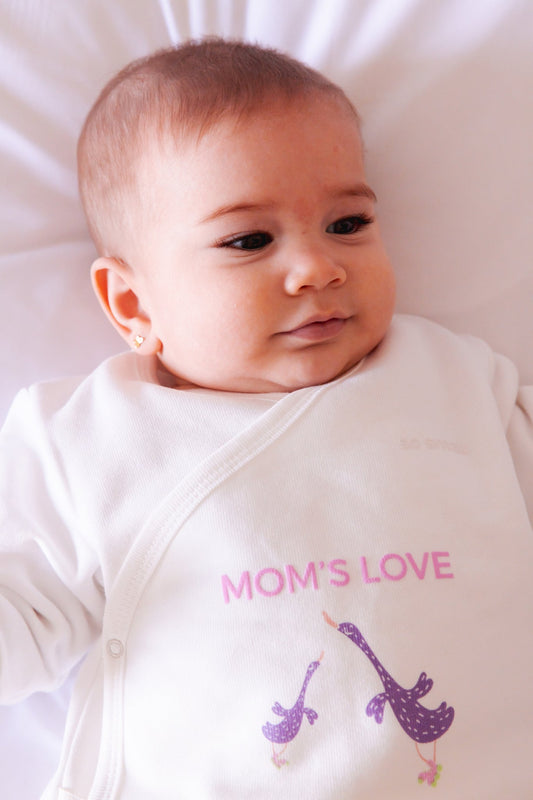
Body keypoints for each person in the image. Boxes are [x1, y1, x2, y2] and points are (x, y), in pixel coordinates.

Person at [1, 37, 532, 799]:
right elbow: (19, 617)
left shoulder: (453, 382)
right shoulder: (93, 440)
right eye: (249, 240)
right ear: (133, 303)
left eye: (347, 223)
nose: (318, 266)